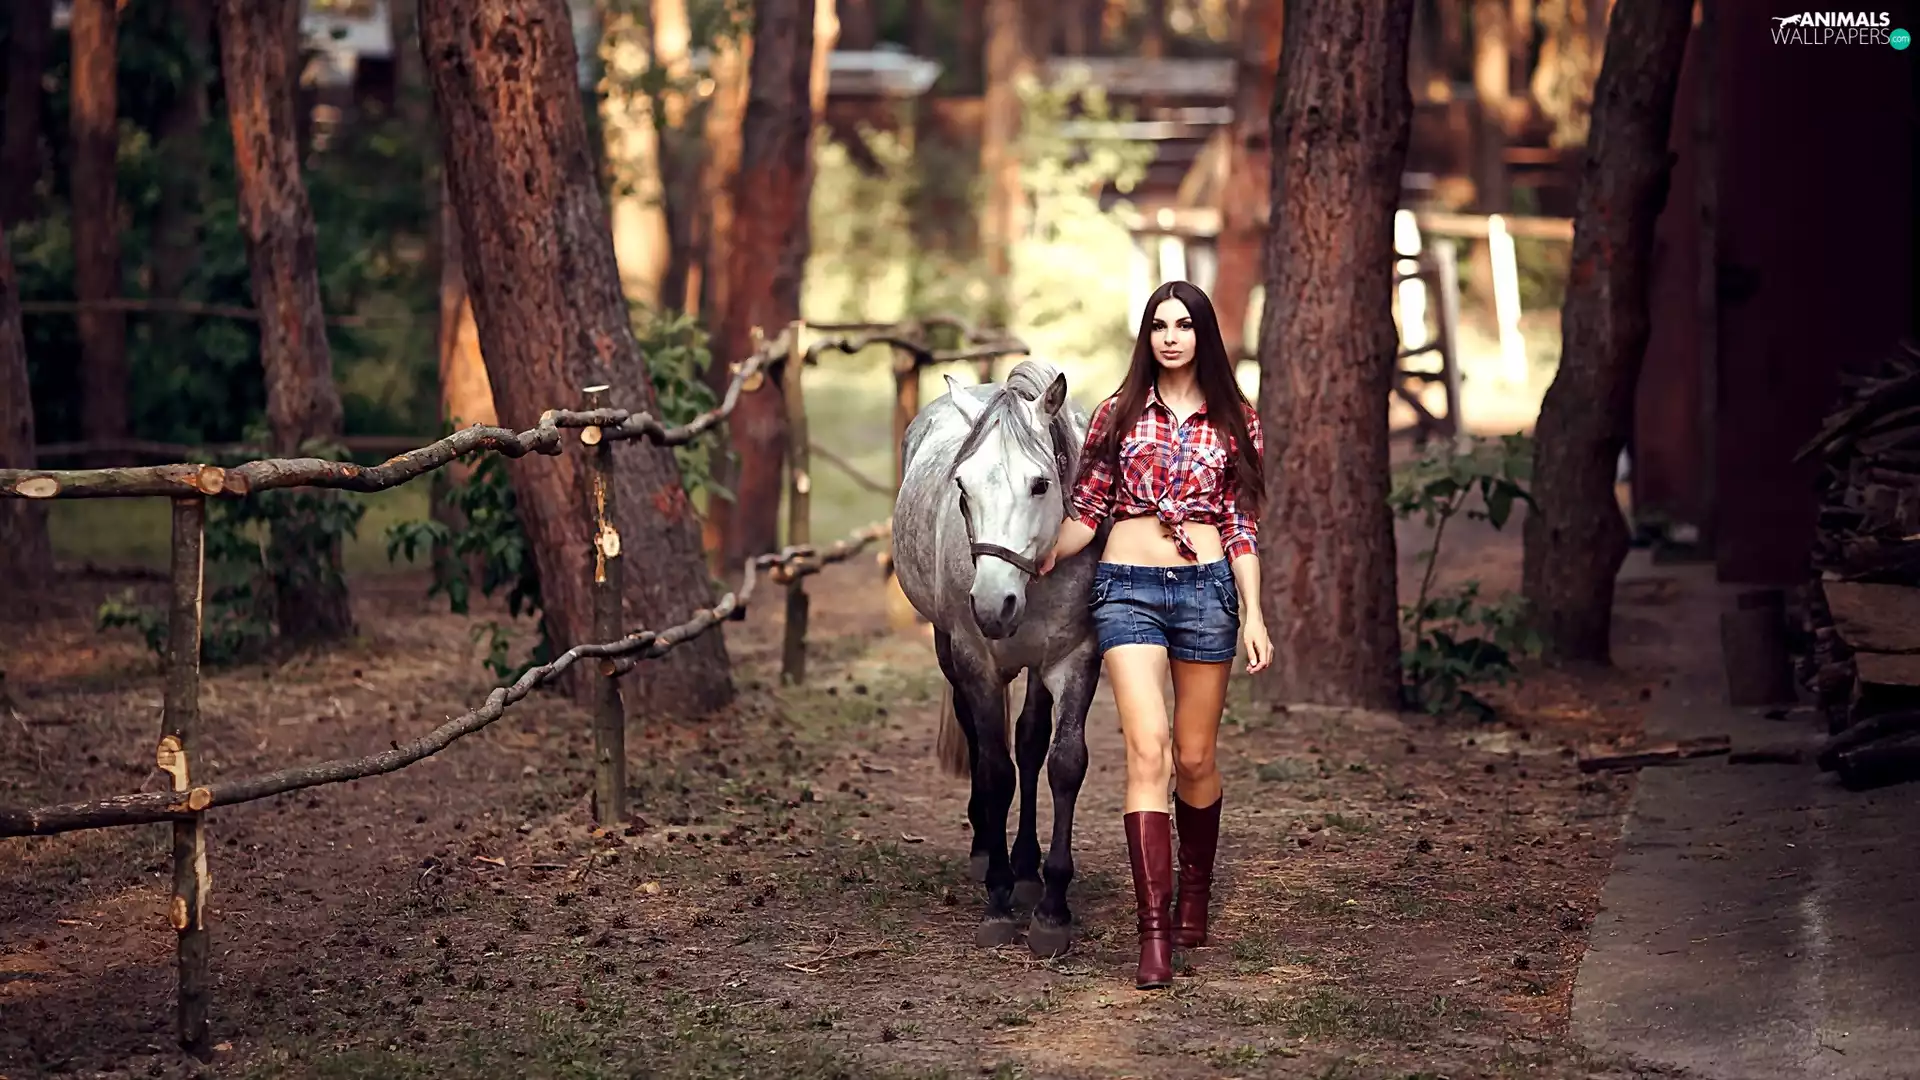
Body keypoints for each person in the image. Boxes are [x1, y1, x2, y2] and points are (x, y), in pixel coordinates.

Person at [1040, 279, 1272, 990]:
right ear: (1147, 336)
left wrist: (1253, 611)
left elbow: (1239, 524)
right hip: (1127, 590)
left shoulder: (1237, 420)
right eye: (1159, 325)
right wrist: (1043, 553)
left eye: (1184, 324)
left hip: (1207, 593)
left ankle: (1195, 888)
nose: (1170, 336)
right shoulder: (1116, 413)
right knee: (1149, 751)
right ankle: (1154, 934)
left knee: (1196, 758)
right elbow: (1087, 508)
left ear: (1204, 334)